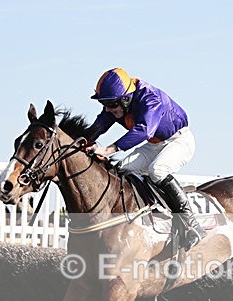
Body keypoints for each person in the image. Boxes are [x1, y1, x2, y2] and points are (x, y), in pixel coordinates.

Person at [84, 68, 205, 249]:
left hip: (179, 141)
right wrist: (83, 142)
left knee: (158, 170)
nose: (108, 109)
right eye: (104, 104)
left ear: (125, 98)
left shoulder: (150, 98)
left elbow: (143, 130)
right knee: (121, 170)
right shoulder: (118, 102)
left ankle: (192, 225)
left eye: (111, 104)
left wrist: (109, 150)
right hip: (153, 145)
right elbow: (100, 124)